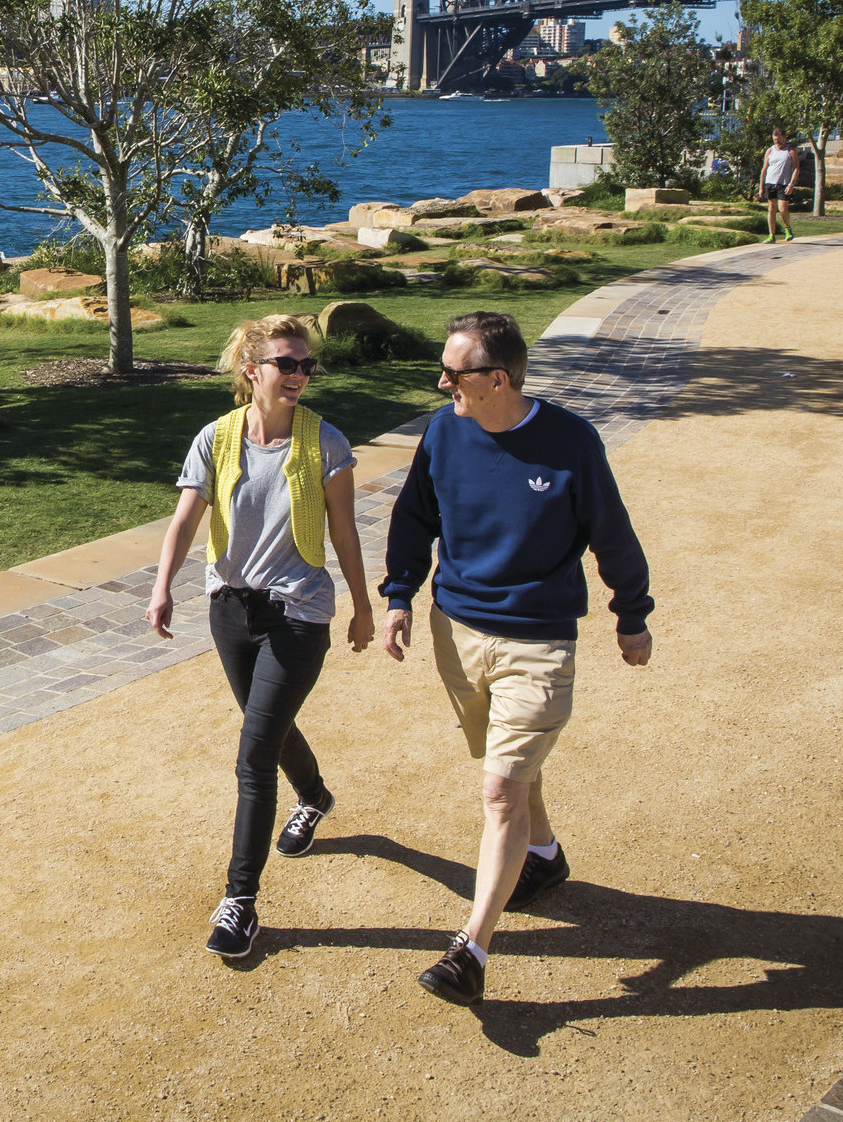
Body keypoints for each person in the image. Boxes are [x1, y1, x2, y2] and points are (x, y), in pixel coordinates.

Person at [380, 311, 654, 1006]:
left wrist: (631, 615)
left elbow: (610, 533)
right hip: (457, 633)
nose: (441, 382)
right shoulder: (444, 428)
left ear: (496, 379)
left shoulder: (569, 443)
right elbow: (414, 516)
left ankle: (470, 948)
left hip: (537, 641)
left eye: (454, 372)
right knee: (508, 768)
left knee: (499, 789)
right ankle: (544, 855)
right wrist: (398, 596)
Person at [149, 314, 376, 959]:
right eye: (288, 363)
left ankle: (240, 901)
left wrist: (363, 605)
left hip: (299, 614)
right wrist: (162, 586)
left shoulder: (326, 442)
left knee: (253, 754)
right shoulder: (216, 439)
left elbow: (345, 533)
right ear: (252, 371)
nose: (301, 375)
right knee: (265, 725)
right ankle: (316, 795)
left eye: (307, 365)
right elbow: (184, 521)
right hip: (230, 611)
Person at [758, 129, 799, 241]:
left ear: (784, 138)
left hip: (784, 184)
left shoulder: (790, 150)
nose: (777, 142)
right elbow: (764, 168)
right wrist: (761, 186)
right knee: (771, 208)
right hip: (770, 182)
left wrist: (791, 184)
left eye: (779, 139)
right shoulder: (770, 150)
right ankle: (772, 235)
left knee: (782, 208)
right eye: (775, 139)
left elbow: (796, 168)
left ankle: (787, 228)